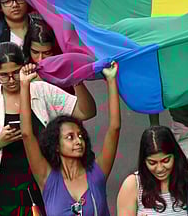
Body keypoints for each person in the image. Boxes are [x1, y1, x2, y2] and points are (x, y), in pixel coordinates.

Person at [0, 43, 96, 216]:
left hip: (44, 183)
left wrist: (77, 81)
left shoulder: (42, 90)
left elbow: (86, 112)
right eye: (4, 76)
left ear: (23, 67)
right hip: (4, 189)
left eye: (15, 72)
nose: (11, 80)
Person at [20, 61, 119, 216]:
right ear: (56, 145)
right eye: (70, 137)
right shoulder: (47, 178)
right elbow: (27, 135)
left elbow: (114, 128)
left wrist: (112, 81)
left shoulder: (97, 173)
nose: (78, 141)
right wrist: (24, 85)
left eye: (81, 136)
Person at [116, 126, 188, 216]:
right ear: (144, 161)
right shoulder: (133, 184)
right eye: (152, 163)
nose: (159, 169)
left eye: (166, 161)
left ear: (175, 156)